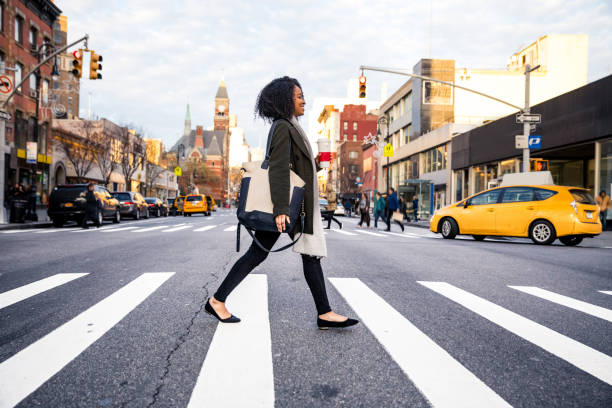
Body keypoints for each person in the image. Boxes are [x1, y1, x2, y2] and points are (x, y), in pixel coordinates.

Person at [207, 76, 358, 330]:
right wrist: (280, 210)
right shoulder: (282, 126)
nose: (304, 101)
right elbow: (277, 168)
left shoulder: (291, 125)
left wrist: (318, 162)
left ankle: (324, 313)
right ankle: (217, 300)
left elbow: (297, 166)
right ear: (285, 100)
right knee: (267, 254)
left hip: (294, 205)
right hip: (287, 206)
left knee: (295, 255)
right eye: (299, 96)